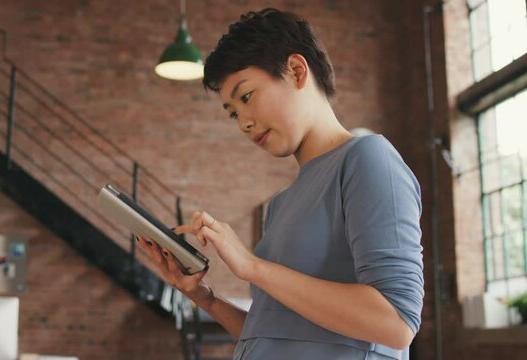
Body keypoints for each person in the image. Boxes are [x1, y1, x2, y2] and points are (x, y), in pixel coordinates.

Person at [136, 8, 424, 360]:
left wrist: (251, 266)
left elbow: (397, 323)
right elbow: (276, 334)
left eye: (245, 97)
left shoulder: (367, 158)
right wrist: (204, 297)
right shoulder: (281, 205)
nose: (243, 122)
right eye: (232, 113)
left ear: (297, 71)